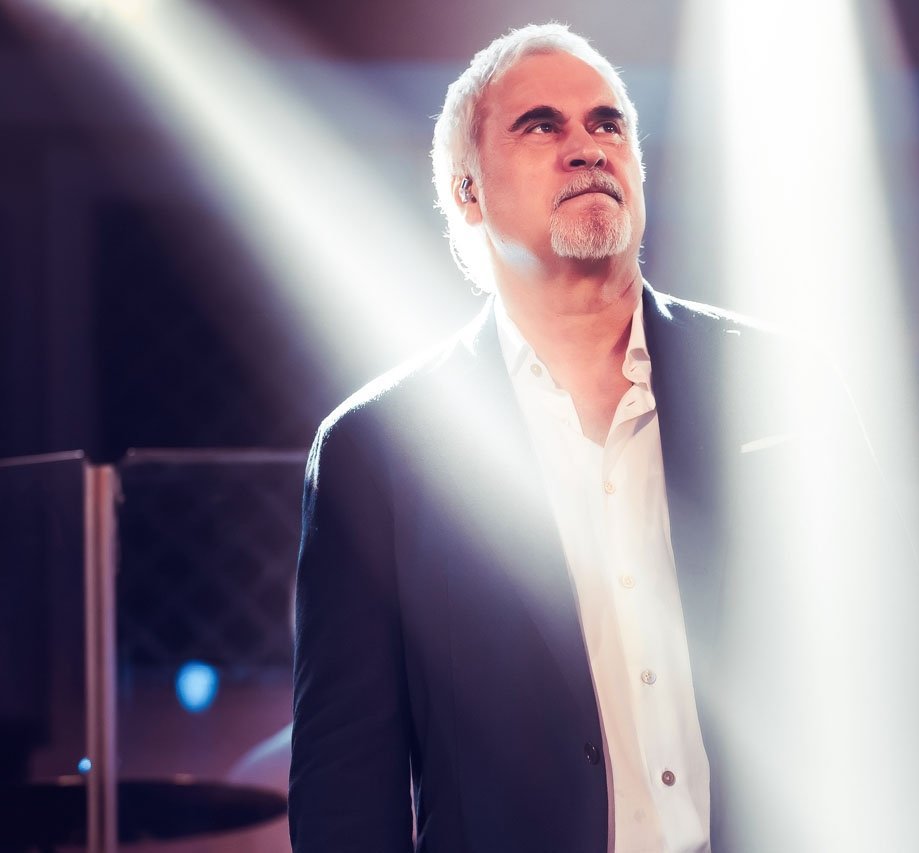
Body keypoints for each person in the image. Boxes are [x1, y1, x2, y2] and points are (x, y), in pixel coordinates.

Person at [288, 22, 874, 853]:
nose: (588, 147)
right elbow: (345, 785)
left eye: (608, 124)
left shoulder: (787, 387)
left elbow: (893, 676)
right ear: (467, 192)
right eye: (542, 126)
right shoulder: (376, 451)